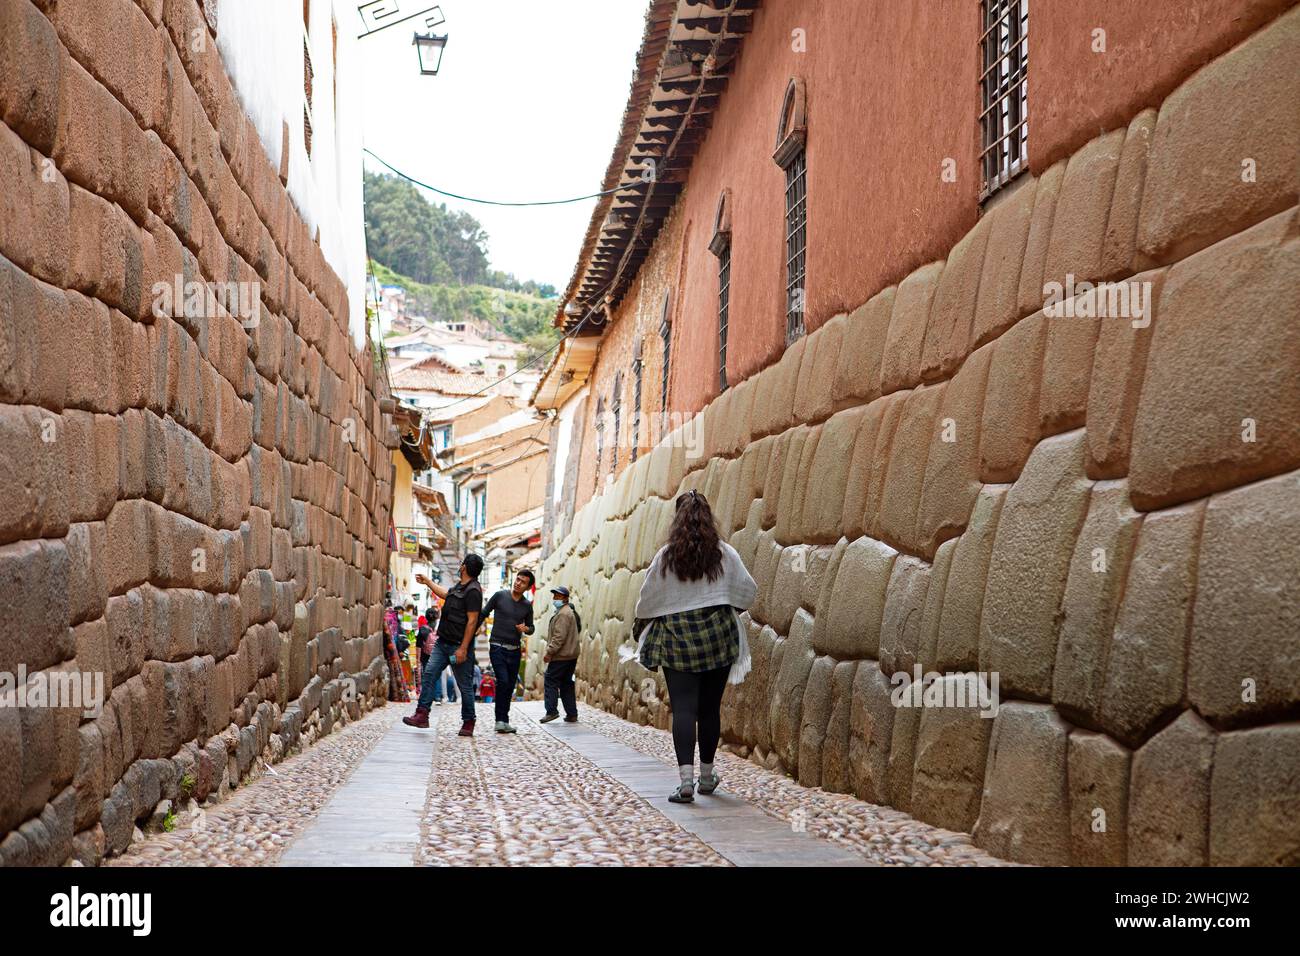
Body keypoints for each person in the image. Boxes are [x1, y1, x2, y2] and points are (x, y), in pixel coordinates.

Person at [630, 491, 756, 803]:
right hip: (718, 638)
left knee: (683, 709)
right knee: (710, 709)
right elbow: (748, 591)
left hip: (677, 639)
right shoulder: (724, 553)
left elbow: (647, 601)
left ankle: (685, 783)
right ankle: (708, 776)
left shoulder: (667, 556)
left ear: (676, 520)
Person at [404, 554, 485, 736]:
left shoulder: (473, 591)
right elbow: (446, 594)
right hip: (442, 642)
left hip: (458, 646)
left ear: (464, 567)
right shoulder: (460, 587)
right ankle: (422, 714)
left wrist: (463, 648)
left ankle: (468, 721)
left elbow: (472, 622)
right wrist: (428, 582)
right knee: (429, 674)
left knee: (464, 685)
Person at [480, 570, 536, 733]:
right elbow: (484, 613)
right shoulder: (499, 596)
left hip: (515, 650)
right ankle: (499, 720)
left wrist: (526, 628)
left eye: (523, 582)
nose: (518, 583)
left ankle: (504, 720)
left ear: (528, 587)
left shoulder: (526, 605)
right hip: (497, 646)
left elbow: (531, 628)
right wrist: (472, 630)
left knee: (510, 685)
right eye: (517, 579)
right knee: (503, 681)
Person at [540, 586, 580, 725]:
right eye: (555, 596)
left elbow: (559, 638)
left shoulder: (563, 614)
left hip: (562, 656)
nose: (555, 599)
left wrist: (549, 652)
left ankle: (551, 711)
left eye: (558, 596)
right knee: (566, 684)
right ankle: (572, 714)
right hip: (570, 655)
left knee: (550, 680)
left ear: (565, 598)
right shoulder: (567, 612)